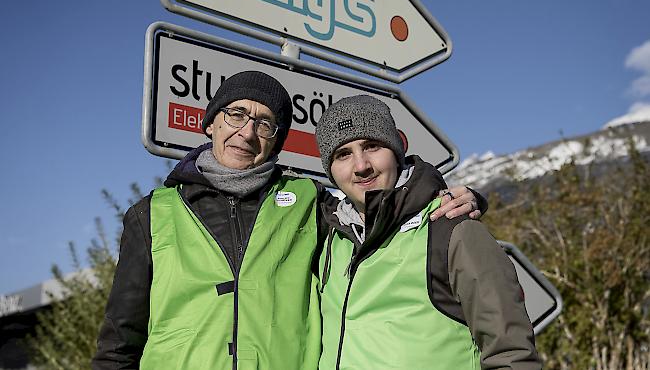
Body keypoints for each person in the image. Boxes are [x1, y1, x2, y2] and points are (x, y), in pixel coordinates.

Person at [92, 71, 484, 369]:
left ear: (276, 141)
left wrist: (452, 197)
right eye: (236, 114)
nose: (247, 133)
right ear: (211, 122)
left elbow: (379, 216)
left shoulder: (309, 201)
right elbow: (120, 340)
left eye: (264, 124)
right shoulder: (152, 213)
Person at [315, 95, 541, 370]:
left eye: (372, 146)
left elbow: (512, 354)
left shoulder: (450, 225)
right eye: (343, 154)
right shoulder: (331, 238)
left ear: (396, 152)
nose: (361, 166)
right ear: (331, 170)